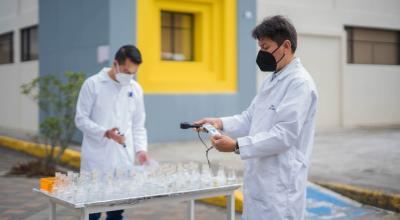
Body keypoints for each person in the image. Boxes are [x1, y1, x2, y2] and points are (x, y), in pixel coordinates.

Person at [194, 15, 318, 220]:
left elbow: (284, 135)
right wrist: (218, 122)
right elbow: (249, 118)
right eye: (260, 47)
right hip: (260, 180)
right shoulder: (272, 80)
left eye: (266, 47)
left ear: (286, 46)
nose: (262, 54)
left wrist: (236, 146)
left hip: (281, 184)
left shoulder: (299, 84)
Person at [75, 45, 150, 220]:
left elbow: (138, 125)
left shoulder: (135, 89)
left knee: (117, 211)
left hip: (122, 159)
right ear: (115, 64)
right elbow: (80, 119)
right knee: (92, 210)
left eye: (132, 72)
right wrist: (105, 132)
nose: (128, 75)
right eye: (125, 70)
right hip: (97, 158)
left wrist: (141, 150)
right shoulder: (93, 84)